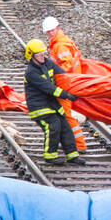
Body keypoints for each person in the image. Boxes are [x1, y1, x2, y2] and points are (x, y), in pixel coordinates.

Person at [23, 39, 85, 166]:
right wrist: (66, 95)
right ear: (31, 55)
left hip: (52, 105)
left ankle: (72, 155)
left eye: (43, 53)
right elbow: (49, 88)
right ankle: (50, 155)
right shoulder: (31, 73)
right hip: (39, 107)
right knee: (53, 126)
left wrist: (74, 86)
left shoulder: (48, 64)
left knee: (65, 126)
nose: (42, 56)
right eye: (39, 54)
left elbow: (63, 75)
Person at [41, 16, 86, 152]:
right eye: (48, 31)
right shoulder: (60, 41)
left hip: (66, 83)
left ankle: (79, 144)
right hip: (68, 82)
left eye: (51, 30)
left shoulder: (60, 45)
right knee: (61, 114)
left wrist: (55, 77)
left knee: (66, 115)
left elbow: (66, 65)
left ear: (58, 28)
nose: (50, 33)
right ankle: (69, 141)